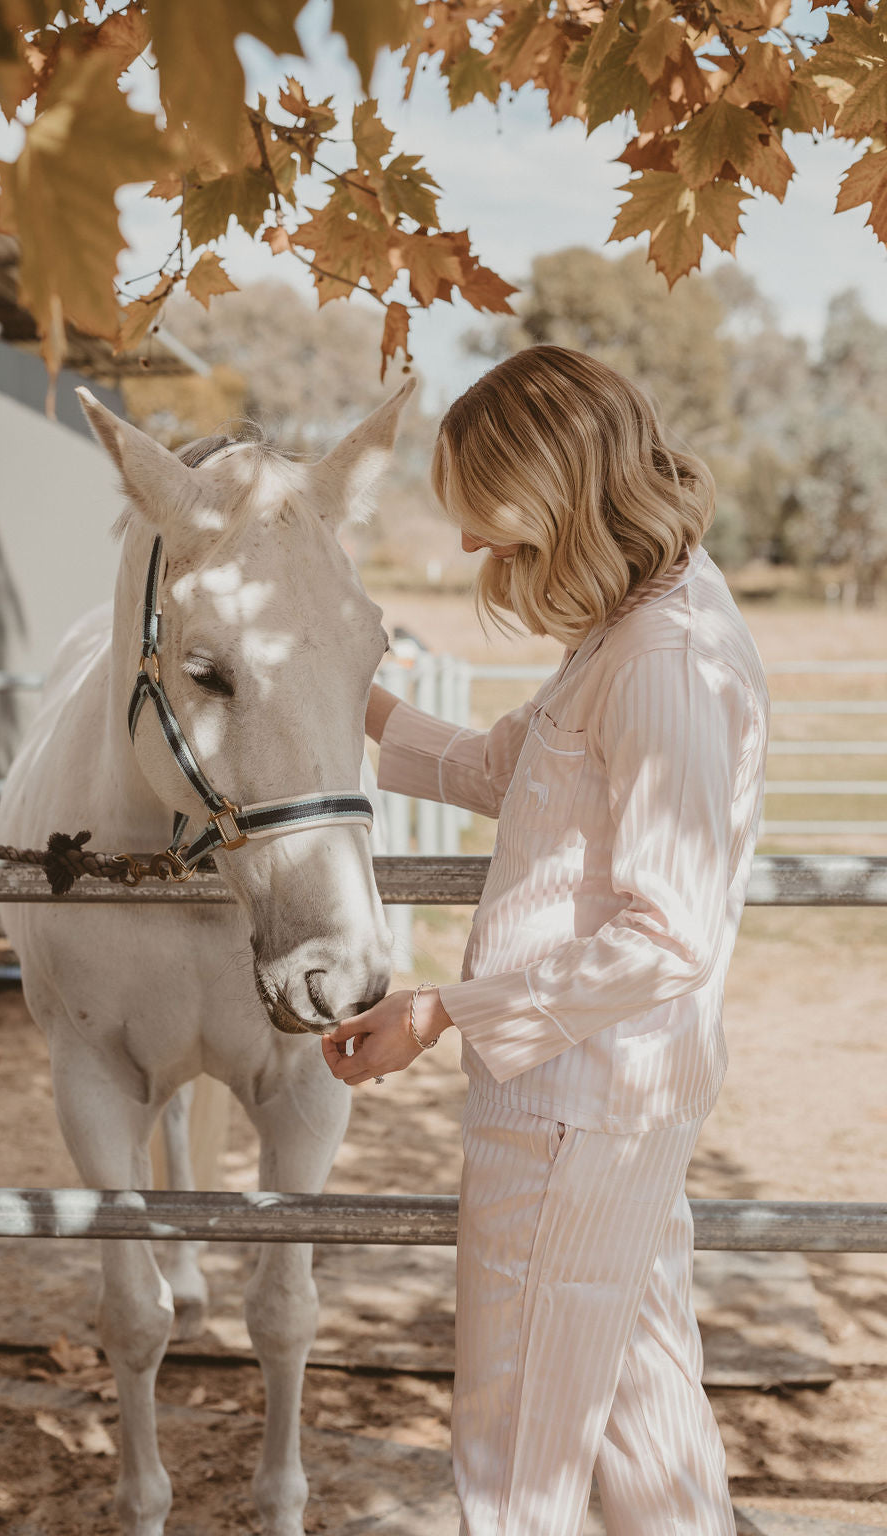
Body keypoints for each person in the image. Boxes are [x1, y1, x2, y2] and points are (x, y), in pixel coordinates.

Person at [321, 345, 769, 1536]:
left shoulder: (664, 656)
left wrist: (440, 1013)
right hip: (600, 1104)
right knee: (645, 1432)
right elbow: (489, 768)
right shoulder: (630, 633)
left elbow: (665, 933)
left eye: (491, 525)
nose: (472, 552)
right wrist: (340, 687)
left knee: (513, 1458)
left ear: (559, 492)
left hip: (573, 1109)